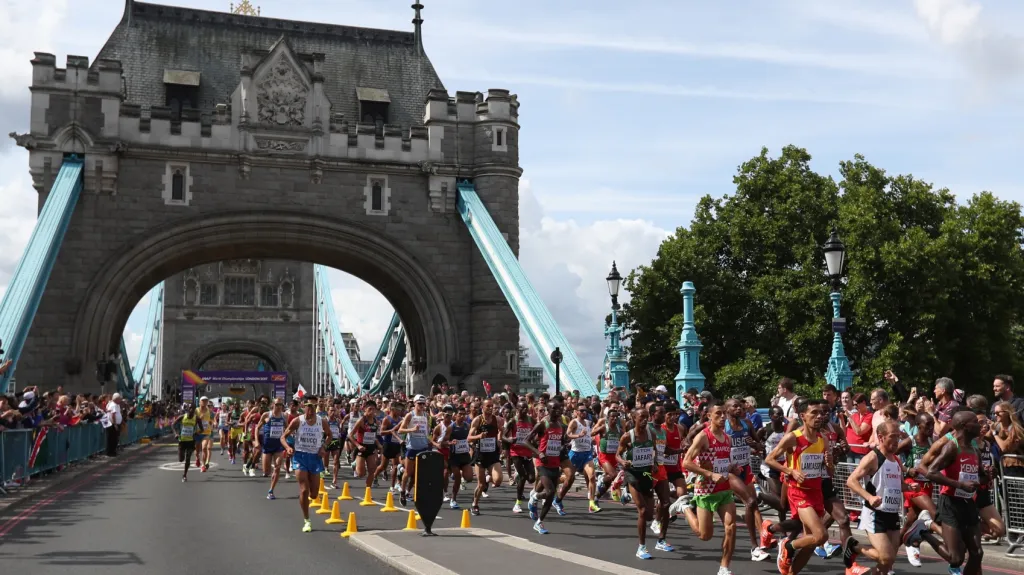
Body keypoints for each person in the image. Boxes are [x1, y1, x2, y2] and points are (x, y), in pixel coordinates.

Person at [765, 399, 832, 575]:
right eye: (814, 413)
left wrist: (830, 463)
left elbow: (829, 471)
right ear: (803, 416)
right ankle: (787, 544)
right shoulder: (793, 437)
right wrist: (790, 471)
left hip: (815, 492)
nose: (819, 416)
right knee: (821, 536)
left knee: (812, 543)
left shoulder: (823, 439)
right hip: (798, 492)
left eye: (821, 413)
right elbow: (769, 459)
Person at [925, 410, 984, 575]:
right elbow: (931, 472)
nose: (979, 425)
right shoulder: (952, 447)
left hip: (969, 504)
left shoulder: (975, 450)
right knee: (955, 559)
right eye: (975, 422)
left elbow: (980, 479)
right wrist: (959, 484)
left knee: (977, 553)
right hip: (950, 503)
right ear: (965, 427)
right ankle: (923, 532)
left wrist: (988, 475)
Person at [680, 402, 737, 573]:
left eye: (724, 414)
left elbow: (723, 462)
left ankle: (724, 567)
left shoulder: (728, 438)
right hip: (706, 489)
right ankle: (684, 507)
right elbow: (686, 462)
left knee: (731, 527)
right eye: (718, 414)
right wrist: (710, 474)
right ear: (709, 416)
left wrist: (733, 467)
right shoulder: (703, 437)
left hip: (724, 489)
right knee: (705, 536)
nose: (722, 417)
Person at [843, 420, 905, 575]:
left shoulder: (896, 459)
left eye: (898, 437)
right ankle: (855, 547)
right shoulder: (873, 457)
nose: (896, 440)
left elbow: (898, 484)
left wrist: (909, 487)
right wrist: (869, 497)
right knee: (886, 557)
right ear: (881, 437)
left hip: (892, 513)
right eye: (892, 436)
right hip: (875, 514)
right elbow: (851, 481)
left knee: (888, 564)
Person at [280, 397, 332, 533]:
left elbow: (330, 436)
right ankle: (307, 520)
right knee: (304, 489)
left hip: (315, 457)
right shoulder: (298, 421)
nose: (310, 409)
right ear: (304, 408)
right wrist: (288, 448)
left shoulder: (322, 422)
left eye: (313, 407)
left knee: (314, 494)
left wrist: (323, 447)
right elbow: (283, 437)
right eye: (308, 407)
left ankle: (308, 500)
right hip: (300, 456)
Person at [256, 399, 287, 499]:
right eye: (277, 404)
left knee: (277, 468)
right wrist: (257, 441)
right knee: (266, 471)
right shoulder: (266, 415)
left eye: (281, 404)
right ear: (273, 405)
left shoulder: (284, 416)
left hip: (278, 446)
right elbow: (257, 428)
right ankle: (267, 472)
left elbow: (287, 428)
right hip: (267, 446)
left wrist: (288, 442)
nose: (279, 406)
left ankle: (271, 490)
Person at [172, 403, 203, 482]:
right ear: (188, 409)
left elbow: (202, 429)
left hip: (191, 441)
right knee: (181, 459)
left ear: (195, 409)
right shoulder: (183, 416)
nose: (191, 410)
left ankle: (184, 475)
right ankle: (181, 455)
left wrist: (197, 432)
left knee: (188, 458)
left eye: (193, 408)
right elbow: (173, 424)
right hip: (182, 441)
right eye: (190, 408)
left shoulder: (197, 418)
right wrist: (175, 433)